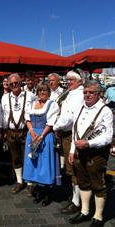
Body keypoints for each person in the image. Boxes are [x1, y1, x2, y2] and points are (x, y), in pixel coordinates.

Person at [68, 80, 113, 227]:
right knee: (83, 182)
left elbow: (107, 137)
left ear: (99, 94)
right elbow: (75, 131)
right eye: (85, 92)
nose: (87, 95)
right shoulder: (80, 107)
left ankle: (98, 217)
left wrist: (88, 143)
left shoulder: (105, 110)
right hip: (80, 152)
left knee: (98, 184)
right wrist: (72, 150)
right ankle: (85, 211)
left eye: (91, 92)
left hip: (96, 153)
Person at [23, 83, 60, 205]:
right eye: (40, 91)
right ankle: (38, 191)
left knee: (45, 163)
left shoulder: (52, 104)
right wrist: (32, 134)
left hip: (45, 136)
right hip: (32, 135)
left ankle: (47, 194)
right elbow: (27, 119)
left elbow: (50, 123)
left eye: (44, 90)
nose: (42, 93)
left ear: (49, 92)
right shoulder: (33, 104)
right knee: (34, 163)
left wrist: (41, 136)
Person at [53, 70, 84, 214]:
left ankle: (76, 202)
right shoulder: (71, 93)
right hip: (65, 133)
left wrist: (56, 126)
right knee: (71, 169)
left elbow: (70, 117)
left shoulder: (78, 94)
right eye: (68, 79)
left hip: (70, 134)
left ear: (79, 80)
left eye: (72, 79)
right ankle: (75, 198)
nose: (69, 82)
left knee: (73, 169)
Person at [1, 73, 34, 195]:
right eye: (11, 84)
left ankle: (30, 183)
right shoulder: (5, 97)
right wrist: (3, 130)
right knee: (15, 157)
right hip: (10, 131)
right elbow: (3, 115)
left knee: (28, 157)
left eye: (16, 83)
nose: (14, 85)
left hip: (25, 131)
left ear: (21, 82)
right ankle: (20, 181)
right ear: (8, 85)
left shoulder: (30, 96)